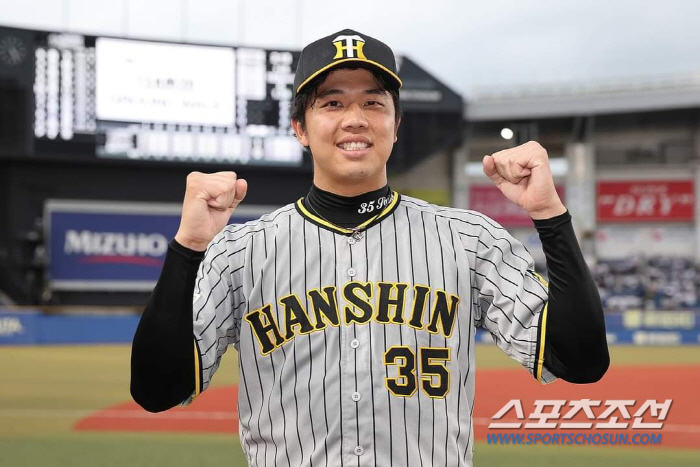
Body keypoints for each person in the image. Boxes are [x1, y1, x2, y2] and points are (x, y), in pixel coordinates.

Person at [131, 29, 609, 467]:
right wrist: (189, 246)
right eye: (332, 104)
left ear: (395, 124)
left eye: (374, 104)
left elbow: (579, 361)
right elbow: (157, 390)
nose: (355, 120)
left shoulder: (469, 240)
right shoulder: (240, 250)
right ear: (300, 127)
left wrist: (550, 215)